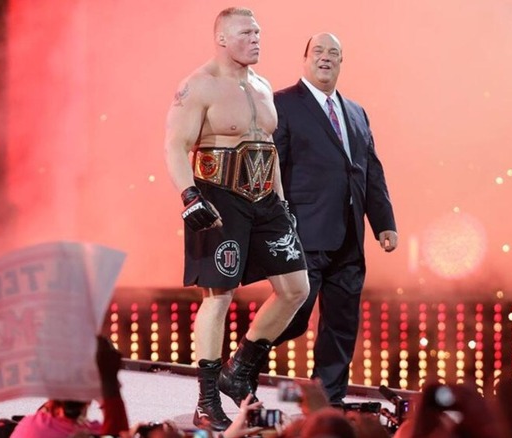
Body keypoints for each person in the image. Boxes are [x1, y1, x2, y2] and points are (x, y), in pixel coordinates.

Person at [164, 6, 310, 431]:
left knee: (295, 288)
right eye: (247, 32)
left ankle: (239, 369)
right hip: (218, 197)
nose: (257, 39)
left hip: (266, 199)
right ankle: (207, 399)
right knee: (218, 296)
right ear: (223, 38)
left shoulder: (263, 86)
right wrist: (188, 195)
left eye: (259, 32)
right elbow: (175, 145)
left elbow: (269, 149)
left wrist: (283, 205)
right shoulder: (198, 86)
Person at [271, 32, 398, 403]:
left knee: (341, 325)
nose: (326, 58)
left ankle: (328, 400)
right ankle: (242, 364)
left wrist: (384, 221)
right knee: (292, 317)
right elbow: (272, 167)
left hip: (349, 237)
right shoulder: (283, 104)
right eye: (319, 51)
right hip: (303, 233)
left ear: (342, 62)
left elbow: (370, 170)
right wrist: (276, 223)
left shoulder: (356, 112)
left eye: (334, 53)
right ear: (305, 58)